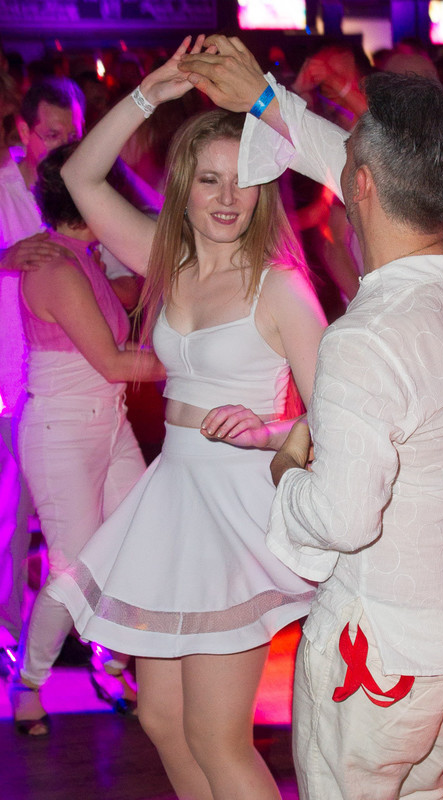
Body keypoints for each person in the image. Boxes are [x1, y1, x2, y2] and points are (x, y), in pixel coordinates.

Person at [181, 36, 443, 800]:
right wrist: (265, 102)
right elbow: (364, 166)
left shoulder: (366, 339)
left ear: (359, 184)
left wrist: (285, 471)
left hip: (383, 654)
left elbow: (338, 518)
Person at [50, 36, 326, 799]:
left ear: (264, 190)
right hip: (175, 494)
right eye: (209, 180)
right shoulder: (167, 264)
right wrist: (154, 91)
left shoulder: (279, 287)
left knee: (214, 735)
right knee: (162, 722)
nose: (227, 197)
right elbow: (78, 176)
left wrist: (268, 432)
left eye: (243, 181)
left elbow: (340, 421)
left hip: (235, 506)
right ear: (185, 187)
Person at [10, 141, 166, 737]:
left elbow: (120, 328)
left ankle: (114, 660)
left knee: (139, 543)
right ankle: (28, 683)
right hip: (61, 431)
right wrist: (200, 364)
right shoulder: (54, 265)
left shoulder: (84, 255)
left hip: (108, 422)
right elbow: (114, 362)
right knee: (74, 571)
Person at [0, 77, 85, 653]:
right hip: (10, 378)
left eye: (72, 134)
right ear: (23, 131)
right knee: (9, 518)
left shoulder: (83, 185)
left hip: (70, 380)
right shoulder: (3, 187)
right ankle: (8, 637)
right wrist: (6, 256)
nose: (64, 146)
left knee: (71, 521)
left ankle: (83, 638)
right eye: (52, 135)